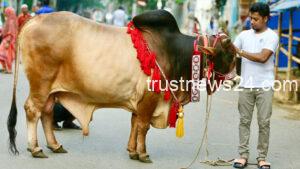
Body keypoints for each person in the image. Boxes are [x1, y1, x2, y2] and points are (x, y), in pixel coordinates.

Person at [233, 2, 279, 169]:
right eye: (251, 18)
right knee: (244, 121)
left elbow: (262, 57)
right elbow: (233, 55)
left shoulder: (272, 37)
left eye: (256, 19)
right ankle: (243, 155)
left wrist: (241, 52)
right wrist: (238, 74)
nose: (252, 21)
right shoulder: (243, 35)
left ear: (266, 18)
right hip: (246, 85)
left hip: (265, 86)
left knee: (264, 122)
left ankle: (261, 157)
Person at [35, 0, 81, 130]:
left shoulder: (38, 14)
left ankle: (67, 121)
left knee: (78, 96)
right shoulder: (52, 15)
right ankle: (53, 121)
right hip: (53, 84)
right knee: (55, 97)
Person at [0, 7, 18, 74]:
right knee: (4, 54)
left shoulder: (11, 21)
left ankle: (9, 69)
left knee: (7, 55)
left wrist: (8, 42)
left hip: (8, 40)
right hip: (7, 39)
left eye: (6, 12)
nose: (5, 13)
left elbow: (11, 32)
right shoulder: (10, 20)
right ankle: (5, 68)